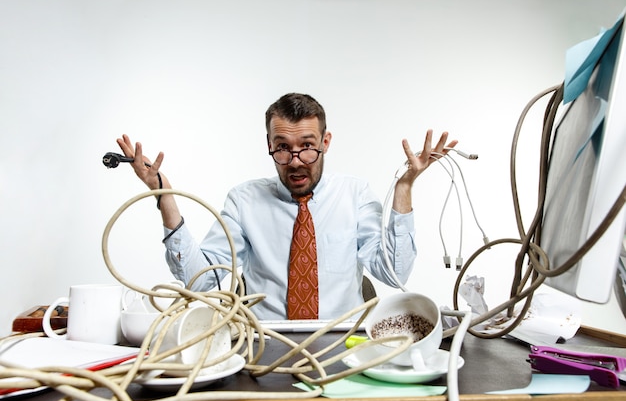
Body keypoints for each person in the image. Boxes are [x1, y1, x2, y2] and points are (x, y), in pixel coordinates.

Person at [115, 93, 456, 320]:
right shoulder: (244, 201)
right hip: (266, 346)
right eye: (282, 148)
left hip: (341, 344)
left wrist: (405, 186)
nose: (295, 162)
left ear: (326, 142)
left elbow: (394, 274)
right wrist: (165, 196)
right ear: (269, 145)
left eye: (307, 146)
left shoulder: (354, 194)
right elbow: (199, 282)